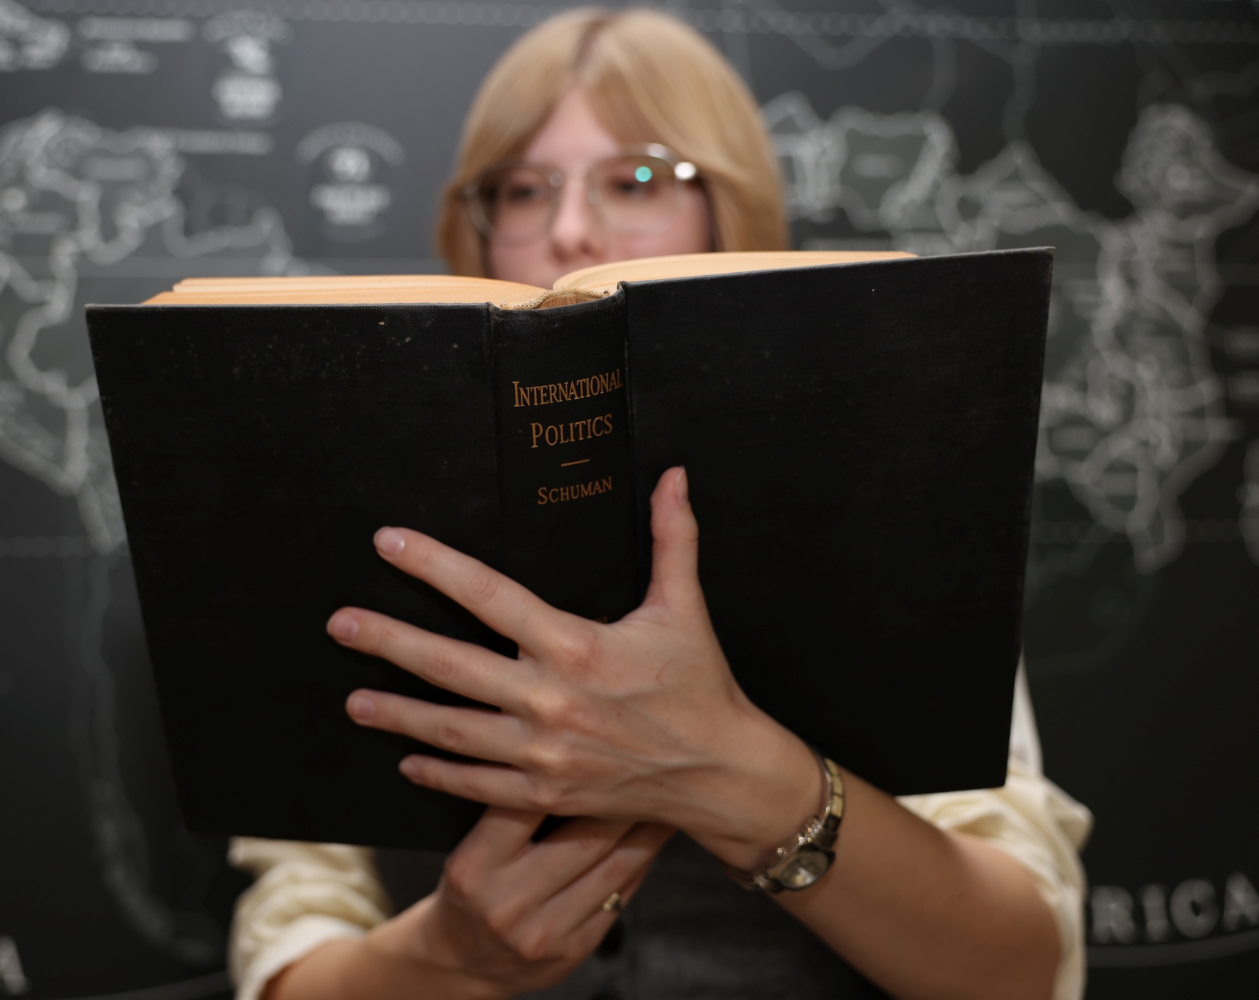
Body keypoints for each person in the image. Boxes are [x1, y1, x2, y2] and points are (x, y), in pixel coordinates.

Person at [228, 9, 1092, 1000]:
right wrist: (447, 955)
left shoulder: (883, 489)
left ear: (728, 213)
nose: (565, 228)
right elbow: (293, 937)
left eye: (635, 179)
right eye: (521, 188)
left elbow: (1025, 966)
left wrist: (732, 770)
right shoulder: (349, 492)